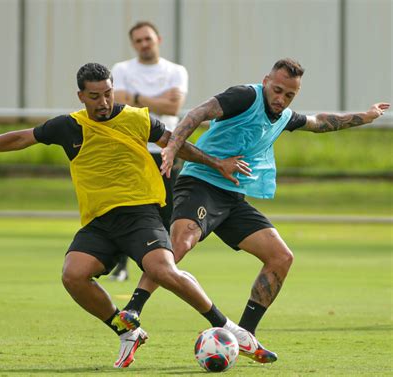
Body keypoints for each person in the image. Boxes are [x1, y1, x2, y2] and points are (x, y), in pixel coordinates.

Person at [0, 62, 274, 368]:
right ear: (81, 95)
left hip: (140, 213)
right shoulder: (68, 126)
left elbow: (176, 142)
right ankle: (127, 331)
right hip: (99, 221)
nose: (103, 102)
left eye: (108, 93)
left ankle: (227, 326)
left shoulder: (137, 118)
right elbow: (22, 138)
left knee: (162, 269)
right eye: (95, 96)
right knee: (73, 275)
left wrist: (216, 163)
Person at [121, 58, 390, 362]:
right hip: (201, 184)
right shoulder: (244, 96)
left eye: (289, 95)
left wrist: (364, 117)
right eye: (277, 90)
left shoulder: (284, 115)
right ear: (266, 81)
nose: (281, 99)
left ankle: (245, 335)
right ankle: (132, 310)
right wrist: (171, 147)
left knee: (281, 257)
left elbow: (319, 123)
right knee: (180, 244)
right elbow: (198, 113)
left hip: (233, 197)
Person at [109, 21, 189, 281]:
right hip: (131, 148)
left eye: (148, 39)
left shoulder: (176, 71)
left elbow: (174, 107)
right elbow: (116, 103)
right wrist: (157, 100)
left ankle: (160, 266)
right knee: (125, 205)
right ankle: (120, 265)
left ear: (159, 39)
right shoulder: (121, 69)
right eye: (139, 40)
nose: (144, 44)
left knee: (166, 209)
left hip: (165, 149)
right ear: (133, 44)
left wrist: (136, 97)